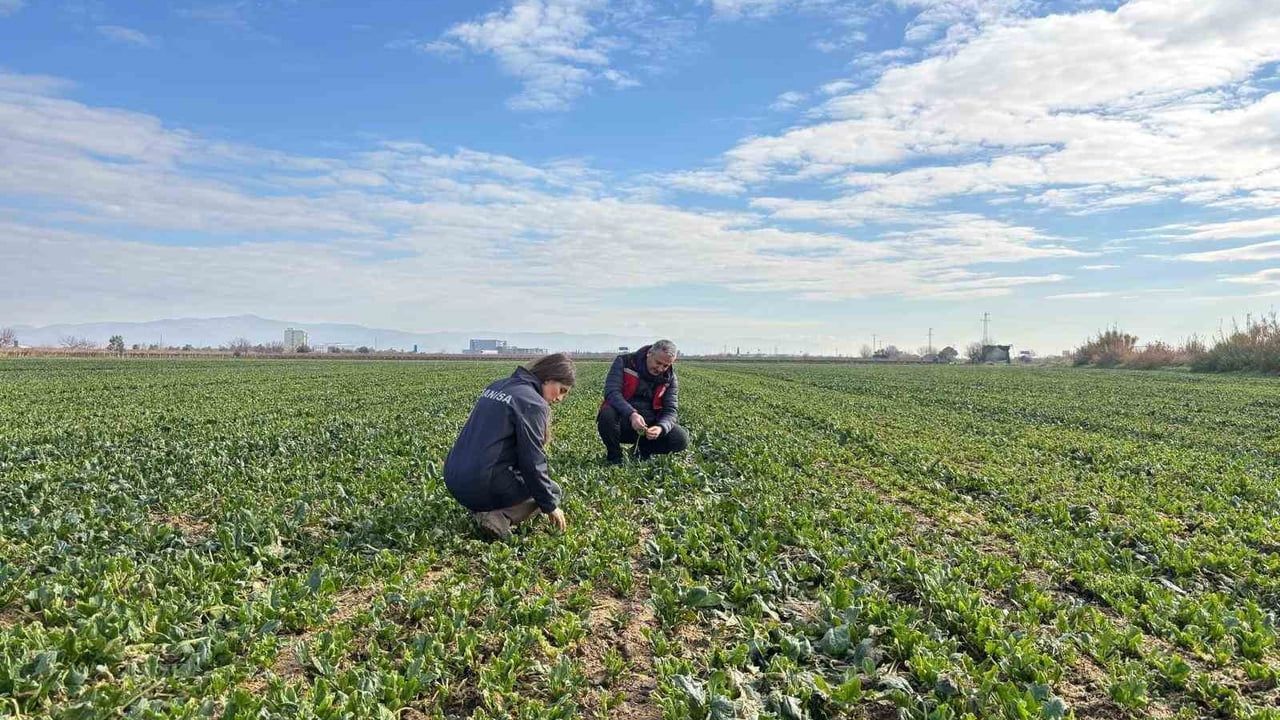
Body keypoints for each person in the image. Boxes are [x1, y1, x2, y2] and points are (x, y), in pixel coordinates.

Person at [444, 353, 575, 539]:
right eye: (562, 390)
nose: (560, 399)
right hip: (481, 484)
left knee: (517, 476)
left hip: (454, 478)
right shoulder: (533, 403)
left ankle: (480, 507)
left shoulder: (497, 386)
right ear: (549, 378)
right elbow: (532, 462)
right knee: (552, 490)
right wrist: (550, 505)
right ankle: (498, 516)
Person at [598, 339, 689, 464]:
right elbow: (612, 393)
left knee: (680, 439)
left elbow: (671, 410)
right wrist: (631, 414)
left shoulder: (670, 378)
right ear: (649, 353)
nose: (660, 368)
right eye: (658, 362)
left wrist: (660, 427)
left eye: (666, 365)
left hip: (650, 424)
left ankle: (643, 450)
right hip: (623, 421)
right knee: (607, 414)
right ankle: (615, 456)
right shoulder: (624, 362)